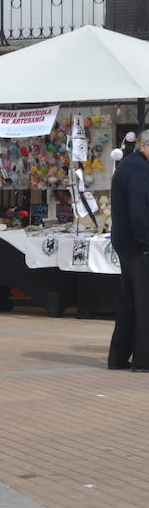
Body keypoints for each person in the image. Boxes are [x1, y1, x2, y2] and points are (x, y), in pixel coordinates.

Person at [109, 134, 149, 370]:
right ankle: (144, 360)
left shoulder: (130, 165)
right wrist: (146, 242)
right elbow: (139, 211)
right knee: (143, 303)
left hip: (127, 244)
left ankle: (119, 358)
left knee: (130, 302)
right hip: (137, 246)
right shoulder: (138, 169)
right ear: (145, 145)